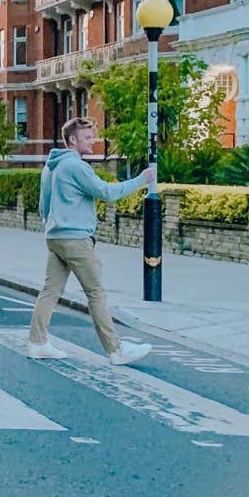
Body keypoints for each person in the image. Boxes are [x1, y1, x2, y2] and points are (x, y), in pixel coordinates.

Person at [28, 116, 155, 366]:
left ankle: (37, 342)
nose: (93, 141)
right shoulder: (75, 166)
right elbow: (107, 193)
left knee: (50, 291)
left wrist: (53, 226)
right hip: (75, 239)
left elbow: (43, 205)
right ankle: (116, 350)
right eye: (87, 137)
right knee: (96, 293)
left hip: (55, 237)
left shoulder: (50, 166)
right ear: (73, 140)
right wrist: (142, 179)